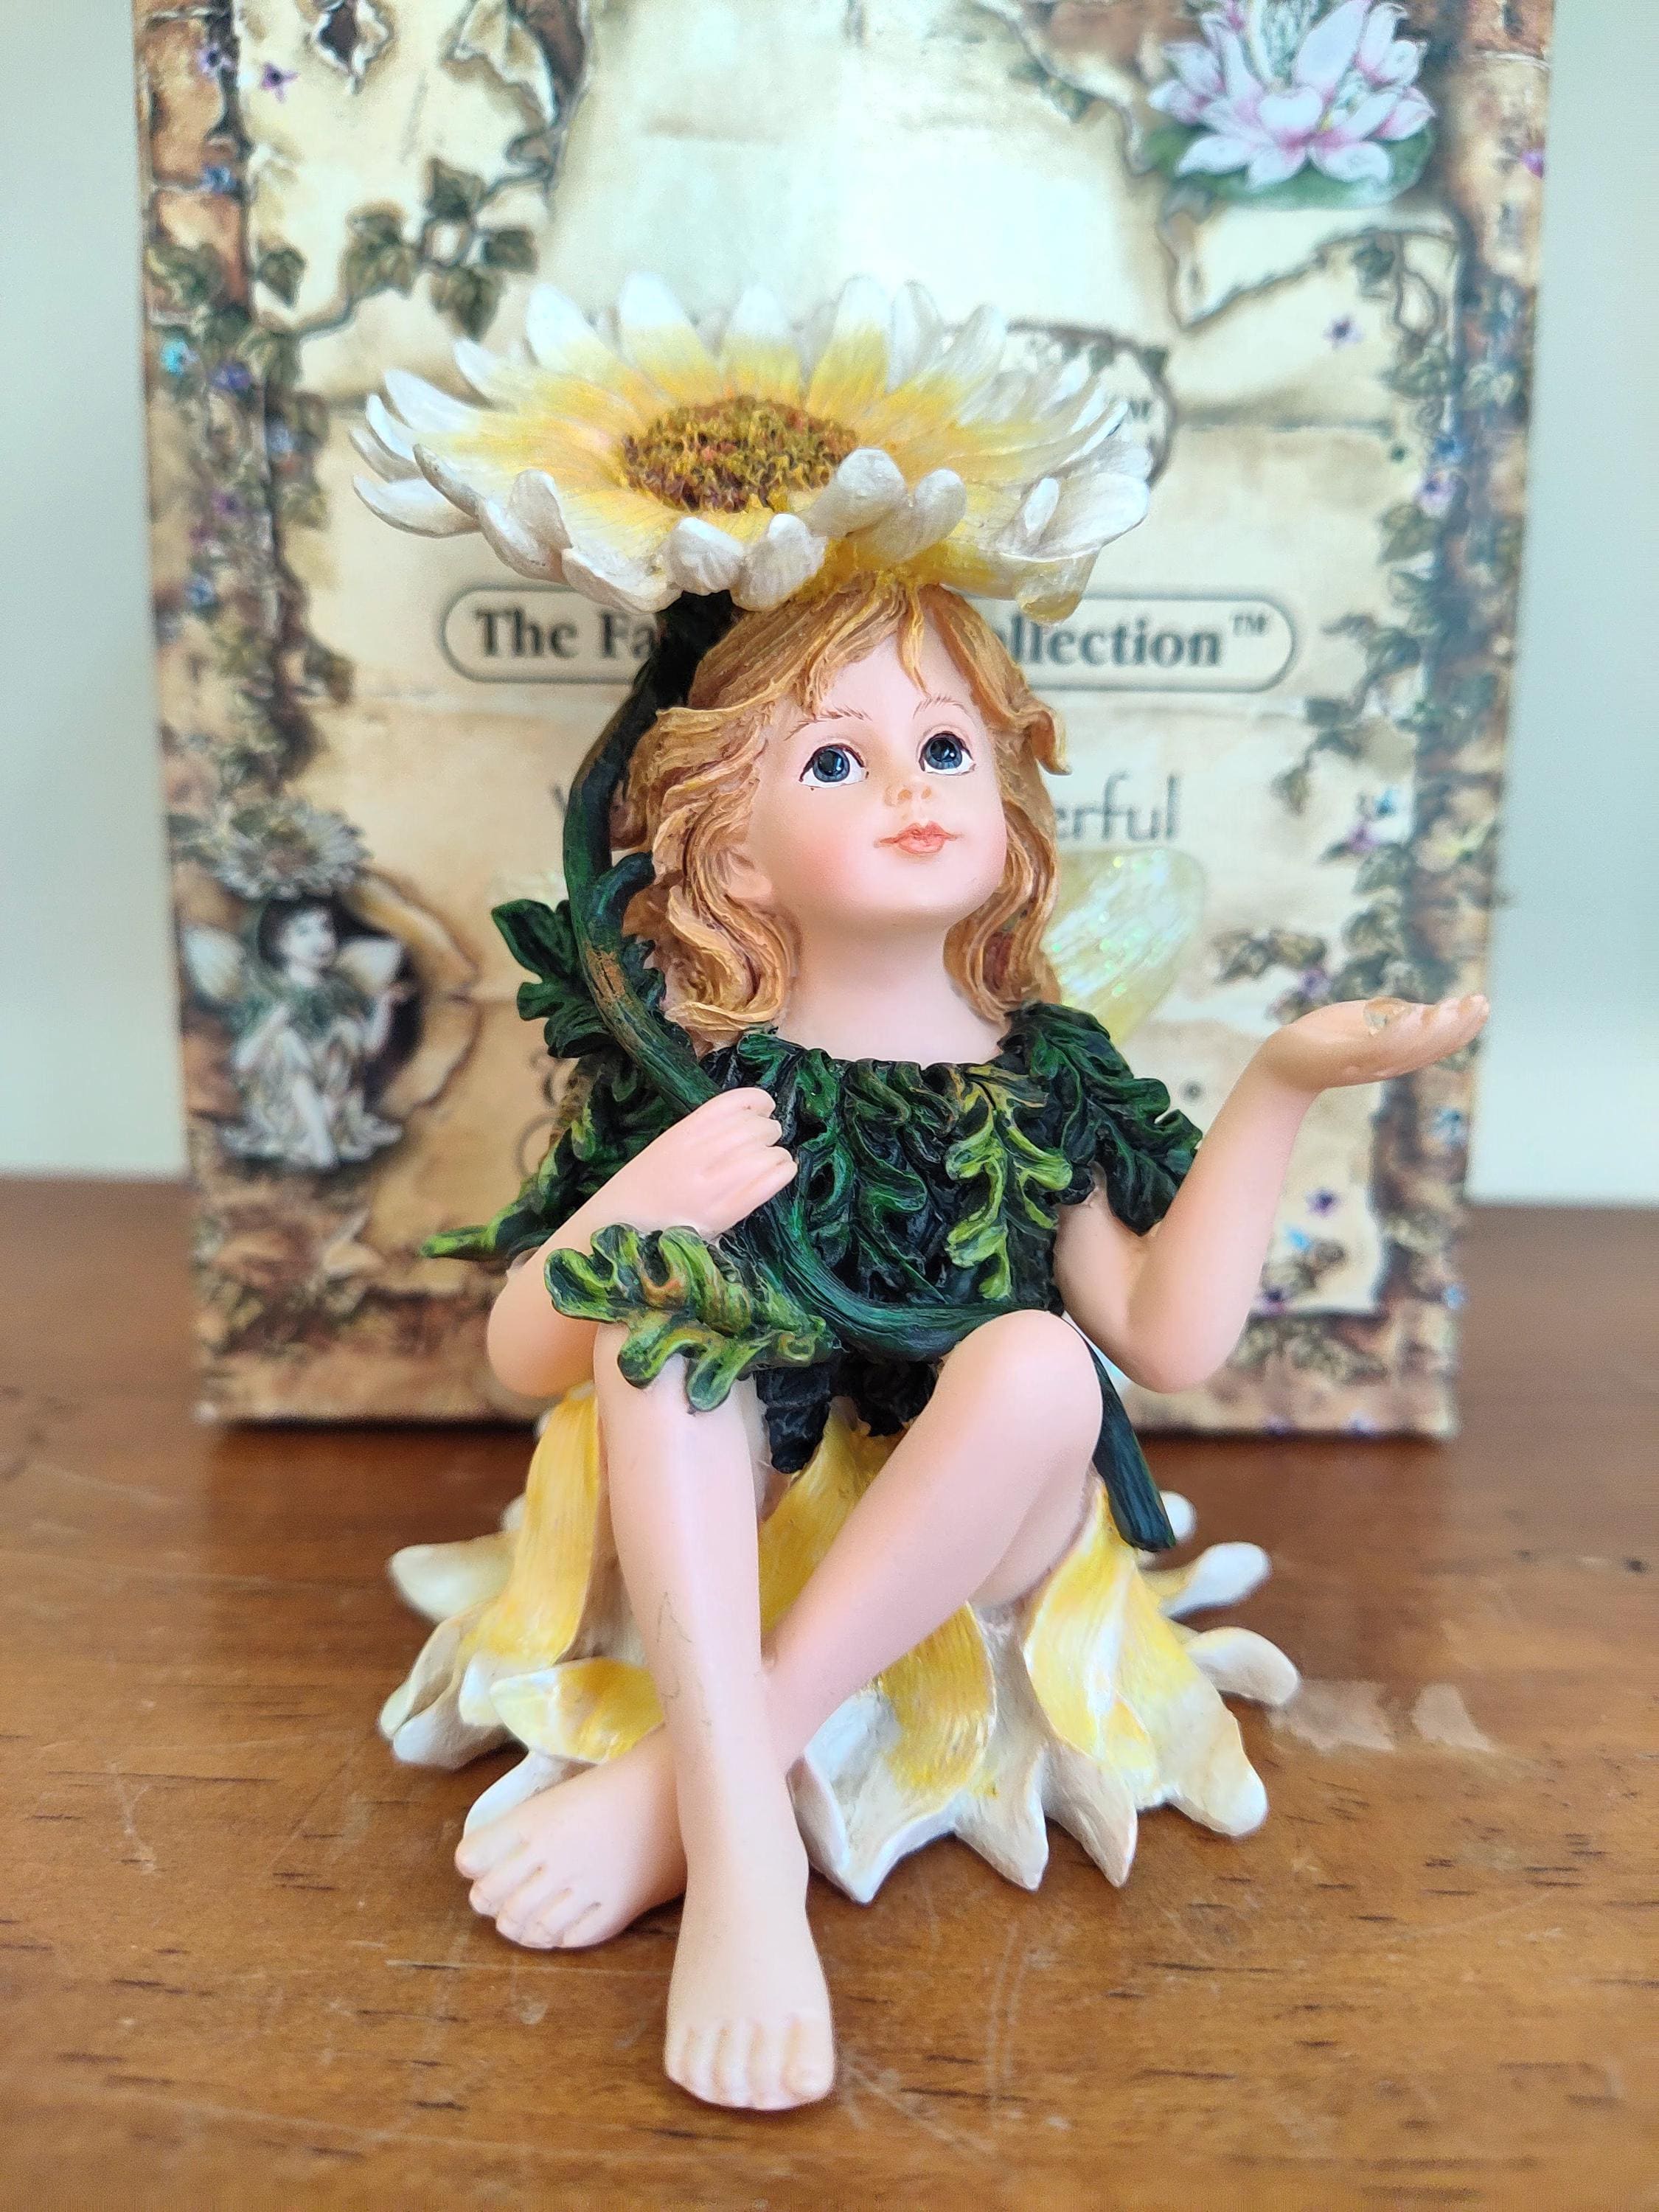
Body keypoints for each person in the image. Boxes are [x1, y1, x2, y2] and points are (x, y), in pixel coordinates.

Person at [427, 572, 1486, 2112]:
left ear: (1005, 793)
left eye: (944, 748)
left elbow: (1166, 1338)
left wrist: (1280, 1085)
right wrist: (633, 1203)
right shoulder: (698, 1074)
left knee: (1043, 1359)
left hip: (982, 1516)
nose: (911, 791)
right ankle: (748, 1866)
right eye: (835, 761)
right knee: (660, 1337)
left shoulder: (1045, 1071)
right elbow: (523, 1356)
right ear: (737, 846)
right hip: (738, 1520)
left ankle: (691, 1800)